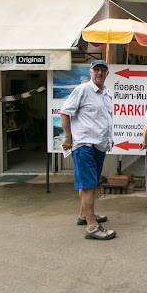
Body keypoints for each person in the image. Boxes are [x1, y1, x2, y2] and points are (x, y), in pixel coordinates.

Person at [60, 60, 115, 240]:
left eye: (103, 70)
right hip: (85, 145)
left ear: (107, 74)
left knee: (89, 182)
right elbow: (65, 112)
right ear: (91, 72)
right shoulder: (83, 90)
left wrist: (109, 138)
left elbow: (104, 119)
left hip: (99, 145)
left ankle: (85, 215)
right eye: (96, 70)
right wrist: (68, 137)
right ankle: (92, 227)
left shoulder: (106, 94)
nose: (100, 73)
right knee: (89, 184)